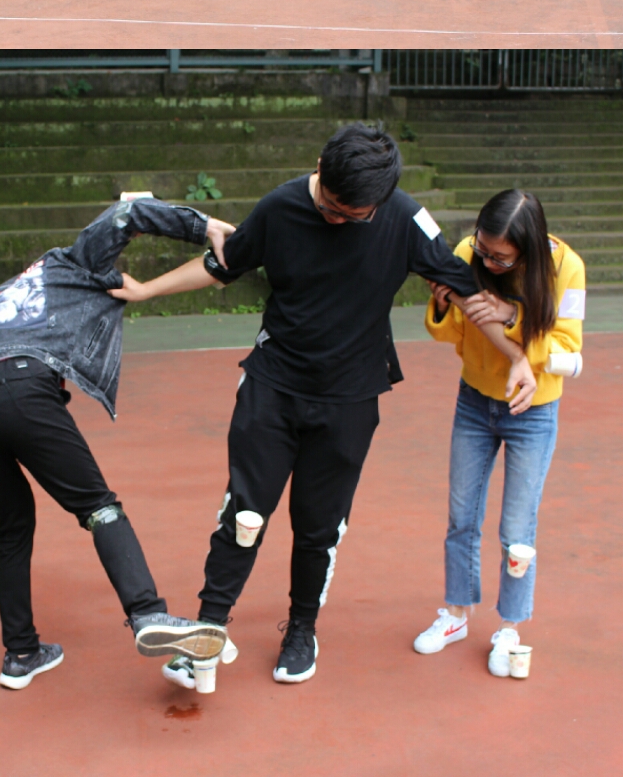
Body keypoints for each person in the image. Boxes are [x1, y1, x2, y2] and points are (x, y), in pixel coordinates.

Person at [106, 124, 480, 688]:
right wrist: (145, 290)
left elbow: (467, 282)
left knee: (318, 528)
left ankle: (302, 629)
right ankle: (208, 632)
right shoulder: (280, 207)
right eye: (330, 206)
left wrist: (513, 335)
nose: (338, 220)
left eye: (353, 216)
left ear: (379, 202)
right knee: (243, 515)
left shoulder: (405, 218)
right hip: (273, 388)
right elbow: (223, 265)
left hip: (350, 400)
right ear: (320, 171)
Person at [0, 197, 235, 690]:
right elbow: (126, 216)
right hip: (19, 384)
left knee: (13, 520)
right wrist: (203, 225)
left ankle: (21, 653)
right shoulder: (71, 261)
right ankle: (147, 612)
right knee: (98, 507)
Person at [414, 189, 585, 677]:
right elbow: (449, 334)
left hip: (533, 410)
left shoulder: (567, 267)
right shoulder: (467, 253)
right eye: (483, 249)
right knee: (461, 516)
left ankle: (509, 627)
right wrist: (443, 305)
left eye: (500, 258)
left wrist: (513, 315)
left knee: (517, 530)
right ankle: (456, 613)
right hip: (474, 399)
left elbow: (569, 351)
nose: (487, 261)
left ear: (528, 249)